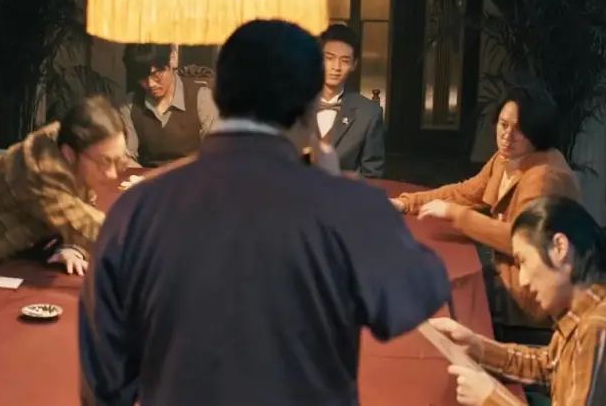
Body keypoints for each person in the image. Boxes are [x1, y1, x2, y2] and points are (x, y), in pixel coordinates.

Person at [80, 20, 451, 406]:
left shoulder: (137, 208)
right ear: (311, 104)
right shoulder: (347, 205)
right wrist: (342, 190)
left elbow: (104, 380)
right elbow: (417, 293)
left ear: (217, 94)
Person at [430, 196, 606, 405]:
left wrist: (491, 398)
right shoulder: (599, 299)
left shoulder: (600, 329)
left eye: (523, 261)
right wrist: (477, 347)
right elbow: (552, 366)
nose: (523, 280)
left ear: (559, 247)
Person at [391, 88, 580, 328]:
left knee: (438, 287)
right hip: (507, 270)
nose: (507, 136)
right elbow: (466, 192)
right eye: (503, 124)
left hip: (533, 292)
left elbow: (523, 240)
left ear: (538, 132)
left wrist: (456, 214)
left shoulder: (543, 176)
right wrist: (406, 203)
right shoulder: (505, 159)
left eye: (519, 129)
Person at [0, 96, 125, 300]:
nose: (113, 174)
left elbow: (78, 210)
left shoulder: (66, 140)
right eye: (105, 162)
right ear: (69, 154)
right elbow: (90, 227)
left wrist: (70, 245)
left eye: (117, 161)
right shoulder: (40, 175)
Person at [119, 44, 219, 167]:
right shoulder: (130, 105)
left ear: (172, 59)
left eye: (156, 75)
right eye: (142, 78)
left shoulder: (202, 98)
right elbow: (126, 157)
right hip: (148, 175)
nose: (150, 84)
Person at [316, 24, 385, 177]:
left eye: (345, 61)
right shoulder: (293, 104)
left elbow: (372, 176)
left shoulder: (368, 114)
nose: (336, 67)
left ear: (354, 65)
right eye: (329, 58)